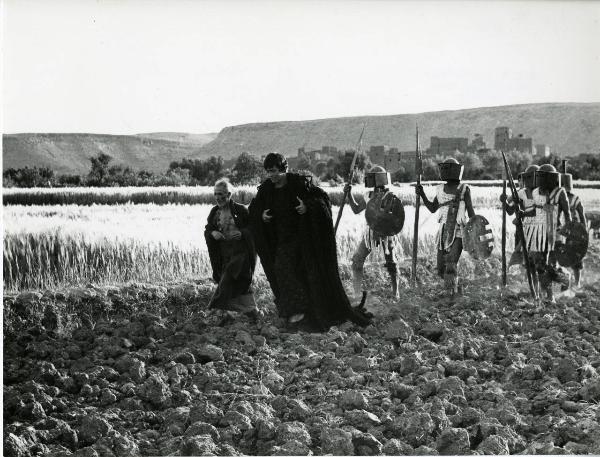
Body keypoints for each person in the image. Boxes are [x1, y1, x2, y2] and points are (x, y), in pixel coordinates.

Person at [248, 152, 371, 330]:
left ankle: (302, 314)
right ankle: (296, 313)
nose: (271, 175)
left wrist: (308, 207)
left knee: (297, 270)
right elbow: (255, 208)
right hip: (281, 240)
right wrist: (261, 215)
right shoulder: (267, 189)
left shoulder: (299, 184)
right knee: (282, 269)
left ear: (284, 169)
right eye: (268, 171)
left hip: (304, 239)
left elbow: (321, 201)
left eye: (274, 171)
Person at [416, 157, 475, 296]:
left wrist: (473, 232)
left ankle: (451, 295)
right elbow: (432, 208)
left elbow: (471, 212)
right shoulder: (440, 189)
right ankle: (454, 288)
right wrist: (422, 194)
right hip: (444, 231)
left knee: (450, 262)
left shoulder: (464, 189)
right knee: (441, 268)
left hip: (459, 230)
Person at [344, 165, 400, 300]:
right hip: (370, 233)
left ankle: (395, 293)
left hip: (387, 233)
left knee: (391, 262)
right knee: (357, 261)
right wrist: (349, 194)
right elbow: (356, 209)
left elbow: (395, 216)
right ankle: (357, 293)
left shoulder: (390, 196)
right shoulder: (368, 195)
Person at [204, 179, 258, 316]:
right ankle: (250, 310)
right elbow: (208, 229)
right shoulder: (214, 213)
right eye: (215, 194)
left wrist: (242, 233)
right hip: (224, 254)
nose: (218, 197)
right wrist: (212, 233)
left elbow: (253, 228)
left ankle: (212, 307)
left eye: (221, 194)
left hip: (241, 253)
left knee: (229, 275)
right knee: (233, 282)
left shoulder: (240, 210)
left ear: (228, 195)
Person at [527, 164, 571, 302]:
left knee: (551, 266)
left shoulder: (560, 192)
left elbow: (567, 214)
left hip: (555, 235)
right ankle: (550, 294)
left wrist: (568, 231)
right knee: (540, 265)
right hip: (539, 234)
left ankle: (561, 284)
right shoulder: (535, 193)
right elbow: (532, 212)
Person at [501, 165, 538, 267]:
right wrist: (504, 202)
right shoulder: (521, 193)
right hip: (522, 229)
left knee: (533, 258)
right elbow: (510, 211)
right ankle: (519, 276)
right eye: (528, 178)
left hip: (539, 229)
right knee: (520, 255)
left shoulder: (543, 193)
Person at [557, 170, 587, 287]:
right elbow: (582, 218)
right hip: (570, 231)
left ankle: (575, 282)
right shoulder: (573, 198)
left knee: (570, 257)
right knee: (574, 257)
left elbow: (582, 217)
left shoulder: (558, 198)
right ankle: (573, 282)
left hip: (568, 231)